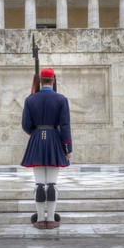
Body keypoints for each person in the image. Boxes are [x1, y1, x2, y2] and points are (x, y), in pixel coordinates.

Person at [21, 68, 72, 230]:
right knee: (51, 183)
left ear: (40, 81)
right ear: (53, 80)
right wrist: (67, 147)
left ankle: (39, 220)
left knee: (39, 184)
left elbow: (25, 125)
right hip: (55, 140)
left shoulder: (30, 99)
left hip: (37, 139)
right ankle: (50, 219)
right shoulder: (61, 99)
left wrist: (36, 133)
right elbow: (65, 125)